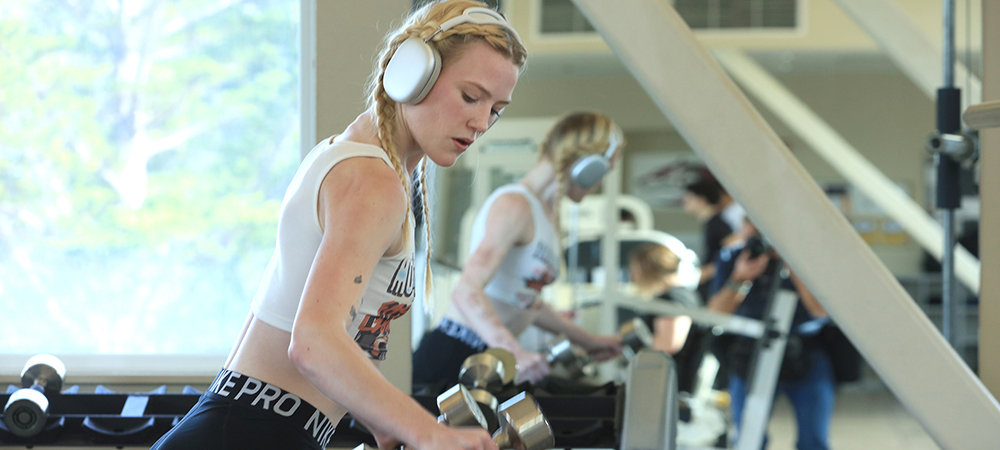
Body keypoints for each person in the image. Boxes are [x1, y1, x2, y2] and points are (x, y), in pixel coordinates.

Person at [150, 2, 526, 450]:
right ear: (413, 73)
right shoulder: (373, 181)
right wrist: (425, 432)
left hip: (257, 426)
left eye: (496, 110)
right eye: (470, 96)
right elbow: (312, 340)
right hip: (249, 432)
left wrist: (387, 423)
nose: (481, 122)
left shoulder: (358, 159)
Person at [412, 111, 625, 390]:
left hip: (488, 356)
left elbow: (528, 303)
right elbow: (467, 289)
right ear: (590, 165)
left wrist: (590, 341)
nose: (599, 184)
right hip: (456, 352)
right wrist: (514, 351)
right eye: (603, 172)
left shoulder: (546, 214)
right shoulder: (515, 205)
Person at [707, 219, 834, 450]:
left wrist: (794, 265)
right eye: (752, 226)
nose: (760, 234)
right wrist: (740, 278)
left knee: (813, 440)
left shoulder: (808, 258)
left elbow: (821, 311)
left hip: (805, 353)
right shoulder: (733, 257)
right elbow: (717, 314)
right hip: (751, 354)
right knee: (749, 439)